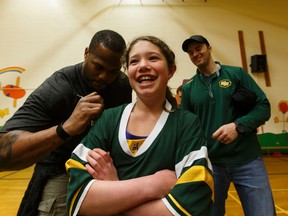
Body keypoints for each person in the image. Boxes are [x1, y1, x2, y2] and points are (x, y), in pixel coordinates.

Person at [66, 35, 214, 216]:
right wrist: (154, 184)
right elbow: (79, 200)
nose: (143, 65)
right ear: (128, 73)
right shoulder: (108, 119)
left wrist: (112, 194)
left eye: (153, 58)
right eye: (134, 61)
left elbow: (192, 206)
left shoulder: (187, 124)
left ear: (171, 70)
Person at [0, 29, 132, 216]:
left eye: (112, 71)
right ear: (86, 53)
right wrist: (66, 129)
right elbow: (2, 150)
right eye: (98, 67)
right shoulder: (59, 87)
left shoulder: (121, 84)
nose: (104, 77)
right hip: (60, 171)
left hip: (103, 172)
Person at [181, 35, 275, 216]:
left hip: (248, 160)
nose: (195, 54)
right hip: (211, 165)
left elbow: (263, 107)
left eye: (198, 48)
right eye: (190, 52)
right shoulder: (188, 88)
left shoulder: (237, 74)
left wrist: (238, 126)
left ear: (209, 48)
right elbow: (187, 128)